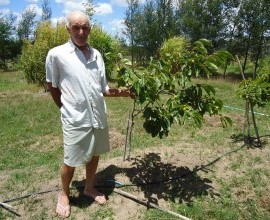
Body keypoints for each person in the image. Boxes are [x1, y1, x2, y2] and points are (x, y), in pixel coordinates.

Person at [46, 11, 131, 218]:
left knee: (94, 153)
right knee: (72, 159)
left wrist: (125, 92)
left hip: (98, 115)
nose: (81, 32)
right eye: (76, 27)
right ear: (68, 29)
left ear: (90, 30)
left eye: (85, 27)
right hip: (75, 118)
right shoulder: (56, 55)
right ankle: (64, 194)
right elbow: (52, 86)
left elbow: (103, 89)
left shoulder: (97, 54)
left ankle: (89, 187)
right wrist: (66, 108)